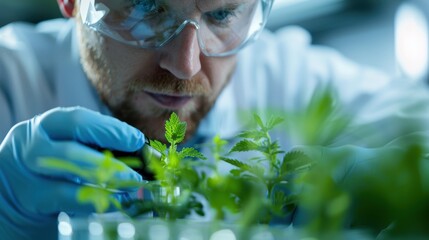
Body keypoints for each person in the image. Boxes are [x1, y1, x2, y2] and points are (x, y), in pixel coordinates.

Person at [1, 0, 429, 239]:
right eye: (147, 8)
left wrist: (403, 179)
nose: (186, 65)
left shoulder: (289, 80)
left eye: (221, 15)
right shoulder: (10, 81)